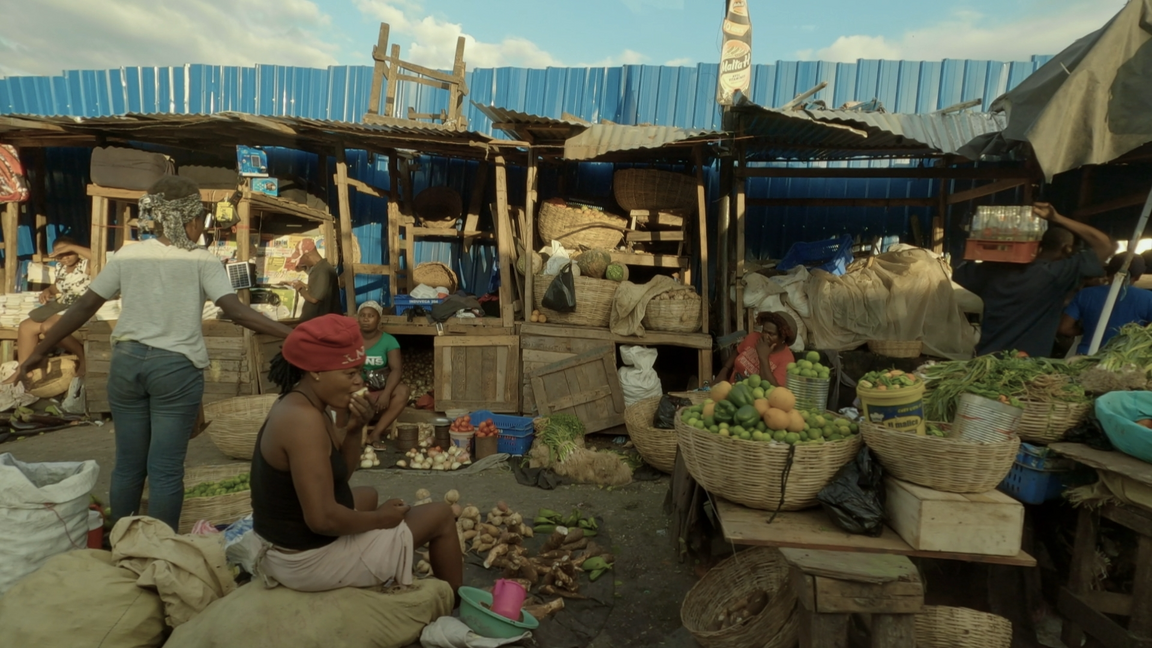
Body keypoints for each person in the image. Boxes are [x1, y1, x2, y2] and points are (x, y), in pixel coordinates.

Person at [8, 176, 294, 532]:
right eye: (200, 219)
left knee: (128, 464)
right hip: (174, 370)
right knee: (165, 469)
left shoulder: (129, 254)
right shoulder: (202, 261)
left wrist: (40, 351)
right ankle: (158, 552)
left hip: (127, 365)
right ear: (190, 220)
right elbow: (235, 311)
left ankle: (120, 544)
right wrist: (291, 332)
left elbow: (82, 308)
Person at [253, 314, 462, 596]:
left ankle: (374, 545)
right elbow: (322, 520)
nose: (358, 382)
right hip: (304, 561)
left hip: (293, 539)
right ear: (315, 371)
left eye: (359, 372)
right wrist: (381, 521)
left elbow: (341, 475)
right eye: (349, 373)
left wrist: (354, 431)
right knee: (440, 514)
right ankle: (455, 607)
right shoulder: (302, 421)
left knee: (366, 494)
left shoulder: (310, 403)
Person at [954, 202, 1112, 358]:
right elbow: (1104, 246)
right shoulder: (1054, 276)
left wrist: (993, 254)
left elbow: (958, 272)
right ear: (1067, 249)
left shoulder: (987, 272)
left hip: (985, 362)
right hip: (1027, 368)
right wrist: (1056, 218)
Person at [16, 236, 92, 377]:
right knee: (26, 326)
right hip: (62, 305)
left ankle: (83, 358)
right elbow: (57, 286)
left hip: (82, 306)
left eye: (68, 253)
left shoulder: (86, 265)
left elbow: (97, 257)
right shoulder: (60, 268)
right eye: (60, 255)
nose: (65, 258)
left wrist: (72, 247)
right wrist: (48, 291)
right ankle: (24, 369)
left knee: (48, 327)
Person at [1060, 254, 1152, 355]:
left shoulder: (1085, 294)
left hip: (1085, 358)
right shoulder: (1148, 298)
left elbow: (1064, 328)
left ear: (1108, 272)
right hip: (1124, 361)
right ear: (1138, 276)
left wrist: (1084, 331)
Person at [357, 300, 410, 448]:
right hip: (357, 388)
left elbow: (396, 370)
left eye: (371, 316)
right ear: (358, 318)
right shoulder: (350, 339)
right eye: (362, 315)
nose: (366, 319)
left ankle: (375, 434)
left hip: (379, 387)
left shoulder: (389, 341)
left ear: (378, 319)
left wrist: (386, 394)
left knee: (403, 391)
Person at [716, 311, 796, 386]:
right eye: (764, 331)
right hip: (732, 389)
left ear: (783, 337)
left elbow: (772, 388)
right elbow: (737, 352)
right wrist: (724, 371)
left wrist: (763, 357)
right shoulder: (754, 337)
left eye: (771, 334)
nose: (765, 336)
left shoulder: (787, 359)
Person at [289, 239, 341, 321]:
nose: (301, 262)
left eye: (301, 259)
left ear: (307, 255)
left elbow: (314, 299)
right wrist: (305, 286)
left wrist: (300, 288)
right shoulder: (319, 268)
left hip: (319, 323)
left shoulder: (322, 270)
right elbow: (320, 289)